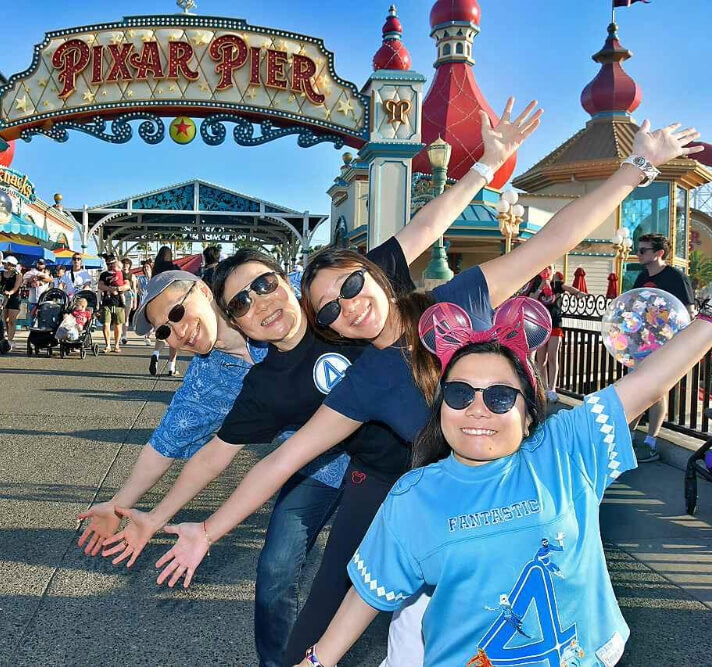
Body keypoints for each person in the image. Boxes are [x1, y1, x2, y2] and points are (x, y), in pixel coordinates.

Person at [144, 117, 699, 665]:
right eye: (332, 310)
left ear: (378, 274)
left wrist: (635, 168)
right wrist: (207, 531)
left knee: (529, 608)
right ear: (329, 328)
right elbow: (284, 458)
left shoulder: (455, 301)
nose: (349, 305)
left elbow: (555, 238)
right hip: (417, 491)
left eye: (353, 284)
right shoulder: (368, 378)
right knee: (327, 623)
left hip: (514, 485)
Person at [90, 97, 557, 667]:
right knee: (294, 579)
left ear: (286, 284)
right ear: (233, 316)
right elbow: (203, 454)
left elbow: (425, 225)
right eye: (242, 302)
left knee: (457, 598)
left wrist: (486, 165)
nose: (260, 304)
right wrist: (153, 516)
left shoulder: (344, 296)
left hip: (441, 454)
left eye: (265, 286)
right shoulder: (251, 382)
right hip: (353, 468)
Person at [294, 296, 712, 667]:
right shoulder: (414, 495)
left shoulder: (564, 449)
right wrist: (317, 661)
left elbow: (650, 380)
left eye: (498, 397)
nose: (477, 409)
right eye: (460, 394)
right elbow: (372, 590)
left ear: (528, 413)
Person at [629, 232, 697, 462]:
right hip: (641, 344)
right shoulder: (641, 278)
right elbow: (633, 308)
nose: (638, 254)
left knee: (657, 391)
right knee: (636, 389)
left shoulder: (676, 278)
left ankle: (650, 443)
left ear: (658, 253)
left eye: (643, 250)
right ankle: (628, 437)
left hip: (665, 345)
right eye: (638, 249)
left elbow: (689, 312)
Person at [524, 266, 585, 402]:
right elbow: (531, 299)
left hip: (555, 325)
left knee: (553, 356)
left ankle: (552, 388)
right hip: (540, 325)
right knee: (541, 360)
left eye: (549, 268)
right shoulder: (535, 285)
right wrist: (541, 287)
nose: (547, 271)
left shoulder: (556, 285)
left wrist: (579, 293)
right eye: (544, 268)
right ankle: (543, 388)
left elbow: (568, 288)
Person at [151, 246, 181, 376]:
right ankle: (171, 367)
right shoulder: (175, 269)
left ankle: (156, 354)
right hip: (174, 305)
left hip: (159, 305)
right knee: (174, 336)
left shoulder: (156, 270)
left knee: (161, 334)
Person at [98, 254, 128, 353]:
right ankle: (107, 345)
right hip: (106, 302)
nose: (110, 265)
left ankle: (116, 345)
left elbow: (127, 285)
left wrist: (118, 289)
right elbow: (100, 285)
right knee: (106, 324)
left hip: (118, 302)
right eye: (108, 263)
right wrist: (109, 288)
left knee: (117, 324)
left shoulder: (122, 273)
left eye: (112, 263)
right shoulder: (104, 274)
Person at [0, 256, 22, 342]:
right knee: (5, 320)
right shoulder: (2, 273)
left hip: (14, 298)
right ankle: (7, 337)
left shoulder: (18, 275)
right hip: (4, 298)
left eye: (5, 263)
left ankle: (10, 340)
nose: (3, 264)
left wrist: (10, 292)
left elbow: (16, 287)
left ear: (11, 265)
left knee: (11, 321)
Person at [121, 257, 139, 347]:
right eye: (124, 264)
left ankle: (124, 335)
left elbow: (135, 289)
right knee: (119, 316)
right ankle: (120, 334)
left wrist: (135, 301)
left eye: (127, 264)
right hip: (119, 295)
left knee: (126, 317)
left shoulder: (132, 276)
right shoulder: (118, 274)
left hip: (129, 296)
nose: (125, 266)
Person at [137, 259, 153, 345]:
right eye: (144, 267)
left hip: (153, 300)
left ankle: (149, 335)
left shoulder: (154, 278)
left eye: (147, 267)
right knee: (146, 319)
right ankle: (147, 337)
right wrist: (140, 291)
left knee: (153, 320)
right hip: (144, 301)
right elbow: (139, 290)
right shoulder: (141, 279)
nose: (146, 269)